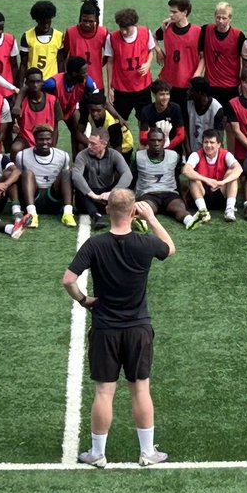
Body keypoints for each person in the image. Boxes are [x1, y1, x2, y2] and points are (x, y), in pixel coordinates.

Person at [65, 189, 175, 468]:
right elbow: (169, 248)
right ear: (134, 211)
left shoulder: (94, 245)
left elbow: (68, 280)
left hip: (105, 329)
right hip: (138, 328)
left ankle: (97, 453)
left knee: (104, 392)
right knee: (140, 390)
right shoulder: (145, 243)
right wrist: (152, 219)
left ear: (108, 210)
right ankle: (147, 452)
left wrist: (84, 300)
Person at [132, 127, 199, 230]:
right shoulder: (138, 156)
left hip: (169, 193)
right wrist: (131, 197)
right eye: (153, 140)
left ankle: (189, 220)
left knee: (179, 208)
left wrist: (181, 196)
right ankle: (141, 221)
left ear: (164, 141)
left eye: (159, 140)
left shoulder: (174, 156)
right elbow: (133, 177)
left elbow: (176, 176)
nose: (156, 143)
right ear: (148, 141)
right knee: (147, 209)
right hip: (148, 193)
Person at [16, 123, 76, 227]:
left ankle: (68, 213)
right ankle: (31, 214)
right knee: (27, 173)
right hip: (33, 197)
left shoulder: (63, 155)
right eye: (41, 139)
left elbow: (65, 181)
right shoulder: (22, 155)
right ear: (34, 139)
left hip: (53, 198)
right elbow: (19, 178)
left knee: (66, 173)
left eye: (48, 139)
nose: (45, 142)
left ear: (52, 138)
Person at [72, 131, 134, 228]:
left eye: (93, 144)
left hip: (108, 196)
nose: (89, 146)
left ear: (104, 144)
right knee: (79, 186)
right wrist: (92, 195)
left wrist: (112, 193)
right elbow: (76, 175)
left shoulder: (114, 155)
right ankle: (96, 216)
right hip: (88, 197)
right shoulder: (82, 155)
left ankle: (132, 215)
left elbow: (128, 175)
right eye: (89, 142)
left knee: (126, 184)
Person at [105, 7, 156, 125]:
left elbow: (150, 51)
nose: (123, 32)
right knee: (118, 122)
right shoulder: (111, 38)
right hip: (121, 89)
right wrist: (110, 88)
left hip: (143, 87)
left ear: (134, 24)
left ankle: (143, 138)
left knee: (145, 121)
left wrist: (148, 64)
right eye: (121, 27)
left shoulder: (145, 32)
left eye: (126, 28)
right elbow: (110, 62)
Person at [155, 0, 201, 122]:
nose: (171, 15)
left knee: (187, 121)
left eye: (174, 12)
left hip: (188, 84)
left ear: (184, 12)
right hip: (169, 83)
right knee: (168, 121)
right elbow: (152, 37)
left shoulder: (197, 31)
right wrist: (158, 51)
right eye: (170, 11)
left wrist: (197, 74)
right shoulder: (166, 28)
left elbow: (204, 57)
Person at [182, 128, 242, 222]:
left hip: (221, 192)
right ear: (202, 143)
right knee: (193, 178)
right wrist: (207, 180)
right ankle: (203, 212)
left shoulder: (225, 154)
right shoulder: (196, 155)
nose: (208, 145)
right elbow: (186, 170)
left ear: (218, 144)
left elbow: (239, 169)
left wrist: (223, 182)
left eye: (212, 142)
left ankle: (229, 209)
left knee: (232, 174)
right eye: (206, 142)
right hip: (202, 194)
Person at [197, 2, 244, 106]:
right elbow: (189, 29)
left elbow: (245, 61)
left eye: (224, 18)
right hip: (211, 85)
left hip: (231, 86)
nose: (220, 21)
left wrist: (243, 81)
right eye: (218, 17)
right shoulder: (206, 30)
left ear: (230, 18)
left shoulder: (238, 36)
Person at [12, 68, 63, 153]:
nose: (35, 85)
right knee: (15, 148)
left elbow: (55, 127)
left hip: (45, 138)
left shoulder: (53, 100)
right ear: (26, 83)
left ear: (42, 82)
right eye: (32, 82)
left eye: (38, 81)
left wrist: (53, 147)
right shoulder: (21, 101)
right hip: (25, 138)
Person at [63, 0, 108, 87]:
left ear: (96, 19)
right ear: (80, 18)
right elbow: (63, 55)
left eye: (90, 21)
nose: (87, 24)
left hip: (96, 83)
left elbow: (109, 54)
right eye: (84, 20)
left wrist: (98, 65)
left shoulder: (103, 33)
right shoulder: (70, 32)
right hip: (75, 84)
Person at [82, 90, 134, 157]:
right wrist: (91, 144)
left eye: (98, 111)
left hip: (124, 148)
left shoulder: (112, 123)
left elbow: (117, 150)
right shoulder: (89, 114)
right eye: (92, 110)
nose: (95, 114)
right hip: (105, 142)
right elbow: (78, 133)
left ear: (105, 107)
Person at [20, 0, 63, 80]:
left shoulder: (59, 36)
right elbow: (23, 64)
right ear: (37, 20)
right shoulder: (27, 36)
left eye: (48, 22)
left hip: (52, 82)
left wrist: (61, 81)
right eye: (43, 23)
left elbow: (60, 62)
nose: (46, 25)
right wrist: (20, 83)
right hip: (33, 82)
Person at [138, 79, 185, 150]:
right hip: (153, 146)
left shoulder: (175, 108)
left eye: (167, 94)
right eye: (162, 94)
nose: (165, 97)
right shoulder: (146, 110)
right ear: (154, 95)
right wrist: (155, 146)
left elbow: (181, 135)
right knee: (140, 149)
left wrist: (167, 148)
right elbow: (143, 137)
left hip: (172, 147)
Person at [184, 77, 225, 154]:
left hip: (210, 151)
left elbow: (219, 137)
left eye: (191, 90)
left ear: (199, 93)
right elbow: (185, 130)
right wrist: (188, 151)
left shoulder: (216, 109)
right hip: (193, 151)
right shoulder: (188, 104)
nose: (188, 92)